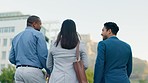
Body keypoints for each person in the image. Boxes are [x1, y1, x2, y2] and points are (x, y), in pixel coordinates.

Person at [9, 15, 50, 83]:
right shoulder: (38, 35)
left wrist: (21, 63)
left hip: (19, 72)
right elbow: (43, 55)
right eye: (39, 24)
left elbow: (11, 58)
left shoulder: (16, 37)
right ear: (34, 24)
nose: (40, 26)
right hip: (33, 71)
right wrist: (48, 70)